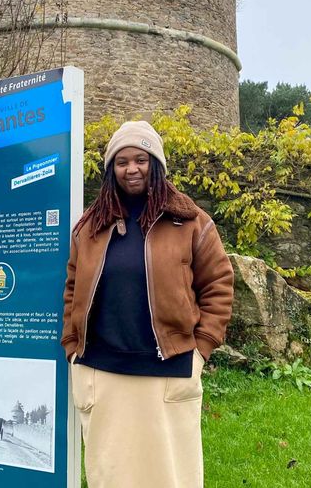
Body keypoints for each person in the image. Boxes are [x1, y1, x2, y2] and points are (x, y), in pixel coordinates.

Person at [61, 120, 234, 488]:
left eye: (141, 159)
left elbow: (219, 285)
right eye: (122, 162)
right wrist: (72, 348)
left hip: (168, 369)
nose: (132, 169)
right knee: (111, 474)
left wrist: (201, 349)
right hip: (102, 369)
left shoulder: (190, 222)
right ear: (111, 170)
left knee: (171, 475)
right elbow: (72, 287)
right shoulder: (89, 227)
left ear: (155, 164)